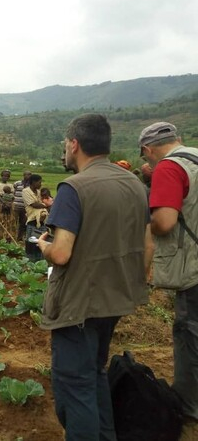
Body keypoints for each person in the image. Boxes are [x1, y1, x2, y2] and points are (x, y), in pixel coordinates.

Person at [37, 114, 150, 440]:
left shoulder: (74, 188)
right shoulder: (134, 184)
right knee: (94, 373)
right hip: (115, 299)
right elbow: (148, 244)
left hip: (79, 306)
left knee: (75, 386)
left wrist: (44, 246)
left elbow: (61, 254)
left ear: (75, 144)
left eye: (65, 144)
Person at [139, 121, 198, 435]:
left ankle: (188, 408)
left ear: (148, 149)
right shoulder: (195, 159)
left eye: (145, 157)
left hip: (193, 269)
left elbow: (164, 221)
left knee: (189, 334)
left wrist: (145, 220)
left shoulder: (168, 168)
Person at [23, 174, 48, 262]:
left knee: (40, 243)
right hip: (32, 220)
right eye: (39, 182)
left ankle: (38, 261)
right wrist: (46, 205)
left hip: (41, 221)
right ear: (33, 182)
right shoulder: (26, 191)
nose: (40, 184)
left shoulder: (38, 192)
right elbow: (34, 204)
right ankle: (30, 262)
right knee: (31, 243)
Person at [13, 171, 31, 241]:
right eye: (27, 174)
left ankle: (19, 238)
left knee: (23, 223)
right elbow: (13, 192)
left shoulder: (31, 185)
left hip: (25, 208)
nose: (28, 176)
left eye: (30, 175)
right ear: (23, 175)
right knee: (14, 222)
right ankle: (12, 237)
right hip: (16, 206)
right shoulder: (17, 183)